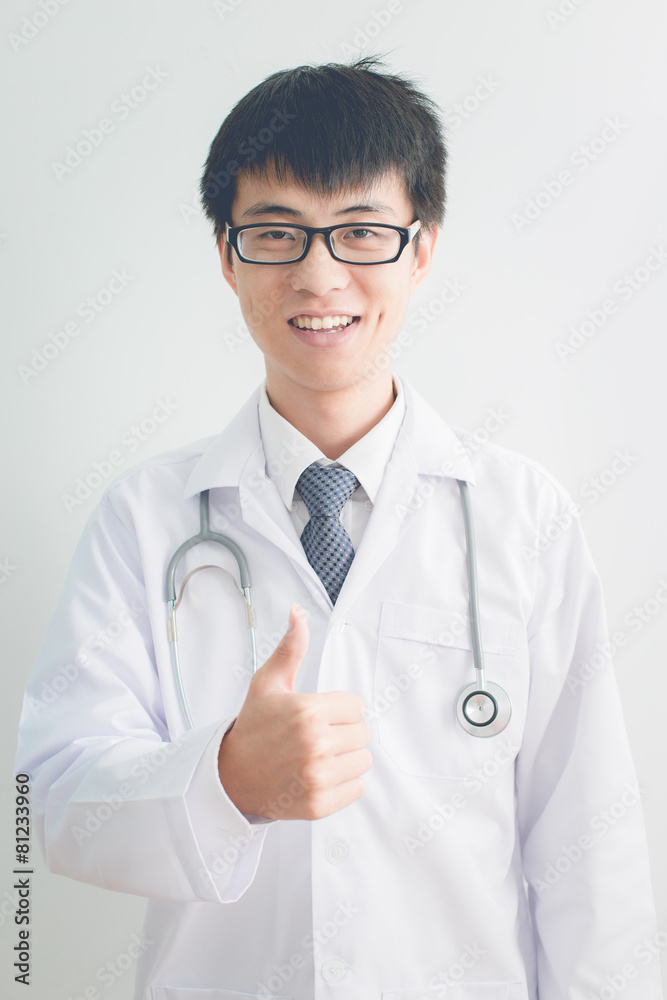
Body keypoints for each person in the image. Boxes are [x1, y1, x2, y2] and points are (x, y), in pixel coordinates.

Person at [16, 58, 662, 999]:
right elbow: (49, 802)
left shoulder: (524, 517)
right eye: (276, 233)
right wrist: (225, 781)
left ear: (421, 248)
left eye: (360, 231)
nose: (318, 276)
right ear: (227, 255)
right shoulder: (143, 519)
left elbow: (588, 849)